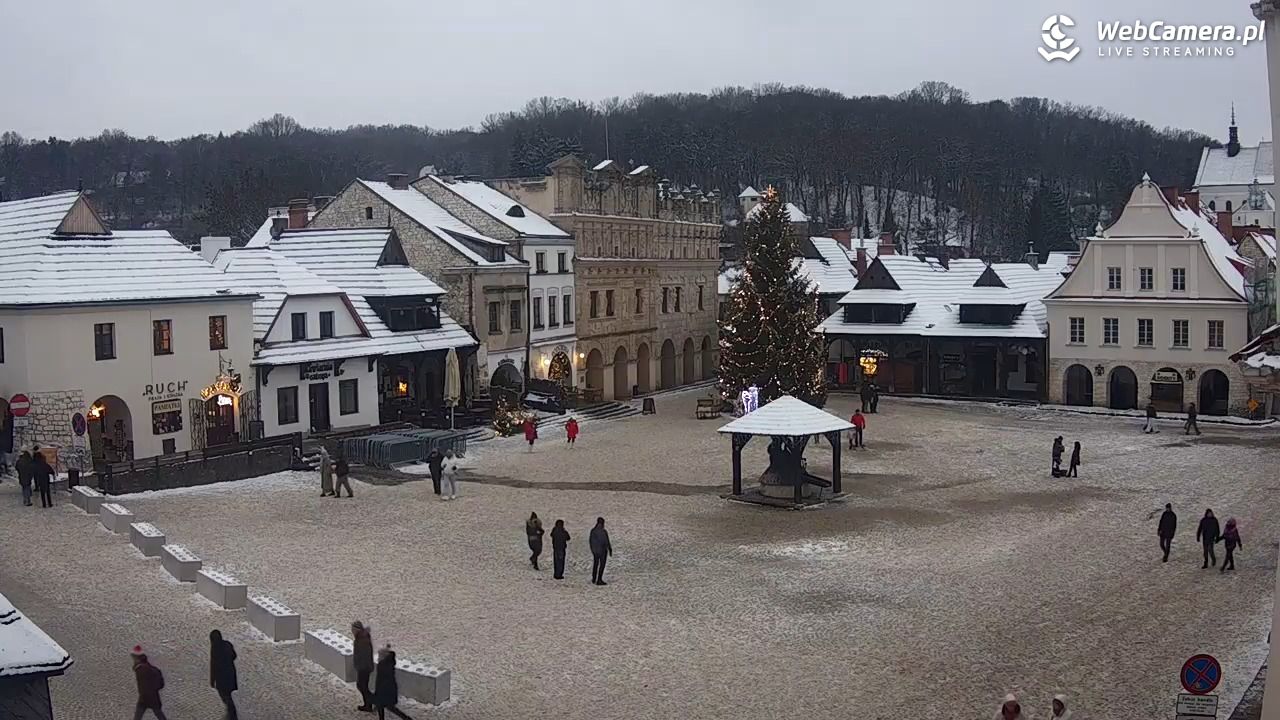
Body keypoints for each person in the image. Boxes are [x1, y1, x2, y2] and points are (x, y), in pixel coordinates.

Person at [374, 645, 412, 719]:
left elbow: (380, 680)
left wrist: (378, 691)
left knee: (385, 705)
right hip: (390, 689)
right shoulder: (390, 663)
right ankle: (406, 718)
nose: (378, 657)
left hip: (384, 690)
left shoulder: (382, 665)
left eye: (379, 655)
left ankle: (405, 718)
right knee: (388, 706)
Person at [131, 645, 168, 720]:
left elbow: (144, 686)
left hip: (146, 697)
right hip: (152, 697)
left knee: (139, 715)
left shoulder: (141, 670)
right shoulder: (147, 667)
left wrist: (144, 695)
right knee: (158, 713)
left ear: (136, 657)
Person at [209, 630, 239, 720]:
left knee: (225, 696)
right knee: (229, 694)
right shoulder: (227, 644)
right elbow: (234, 656)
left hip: (221, 677)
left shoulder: (214, 649)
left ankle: (232, 714)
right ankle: (231, 713)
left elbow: (213, 665)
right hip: (230, 674)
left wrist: (212, 680)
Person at [352, 621, 375, 712]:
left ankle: (371, 702)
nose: (352, 631)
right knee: (362, 686)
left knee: (362, 686)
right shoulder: (361, 637)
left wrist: (360, 666)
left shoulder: (362, 640)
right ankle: (368, 704)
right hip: (364, 666)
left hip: (364, 667)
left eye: (353, 629)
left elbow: (363, 654)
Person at [589, 517, 612, 586]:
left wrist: (593, 550)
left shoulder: (593, 531)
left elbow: (591, 541)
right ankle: (599, 579)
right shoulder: (603, 531)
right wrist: (610, 549)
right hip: (602, 551)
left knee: (595, 565)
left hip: (595, 551)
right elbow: (606, 541)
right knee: (601, 565)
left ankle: (594, 578)